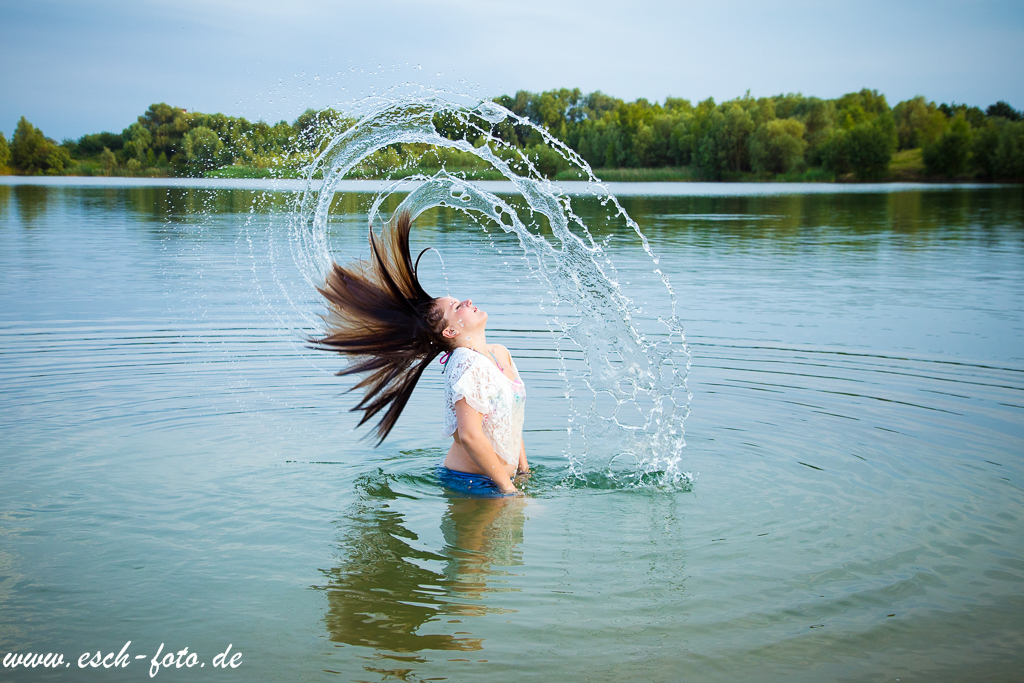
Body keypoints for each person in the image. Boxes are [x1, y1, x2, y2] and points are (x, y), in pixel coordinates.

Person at [312, 211, 528, 495]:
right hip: (471, 484)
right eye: (456, 307)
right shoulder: (467, 364)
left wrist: (523, 471)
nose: (468, 301)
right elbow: (470, 435)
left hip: (503, 482)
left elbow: (513, 420)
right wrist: (508, 490)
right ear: (449, 332)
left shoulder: (500, 354)